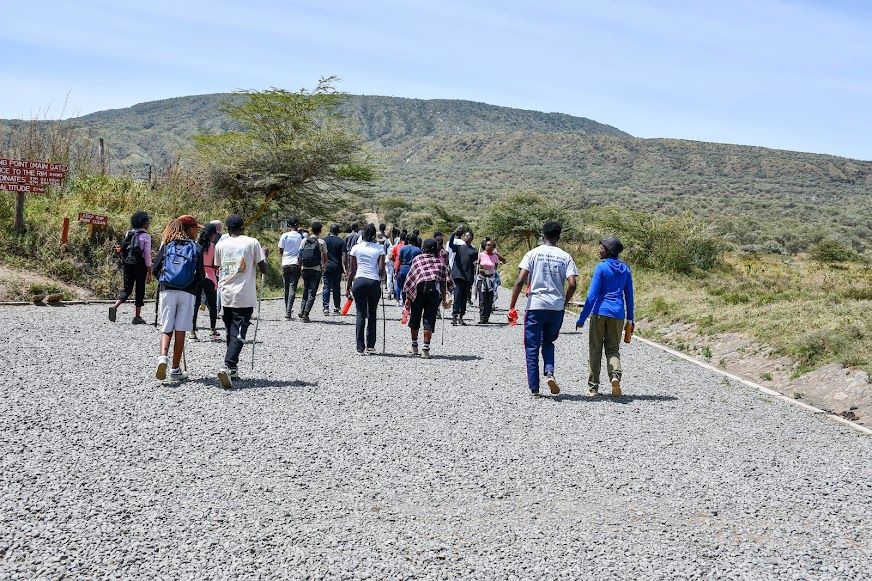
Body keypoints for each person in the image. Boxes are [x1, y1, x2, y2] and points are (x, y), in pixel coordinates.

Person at [509, 221, 578, 398]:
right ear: (559, 236)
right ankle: (549, 372)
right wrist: (564, 301)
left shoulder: (532, 254)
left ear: (543, 235)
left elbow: (520, 280)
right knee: (548, 342)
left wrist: (512, 306)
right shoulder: (565, 257)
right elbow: (572, 284)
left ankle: (535, 389)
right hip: (556, 308)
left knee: (531, 346)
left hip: (536, 306)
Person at [575, 237, 635, 397]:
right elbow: (629, 296)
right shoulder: (626, 269)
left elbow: (592, 295)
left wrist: (582, 318)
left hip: (600, 312)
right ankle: (615, 377)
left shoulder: (601, 268)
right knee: (613, 349)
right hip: (618, 314)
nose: (599, 250)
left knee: (595, 350)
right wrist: (631, 319)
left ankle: (593, 388)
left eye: (602, 247)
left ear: (608, 251)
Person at [214, 214, 268, 388]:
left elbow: (217, 266)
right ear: (243, 227)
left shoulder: (220, 245)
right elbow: (264, 269)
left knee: (230, 331)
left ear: (227, 228)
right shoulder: (252, 242)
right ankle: (228, 365)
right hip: (244, 295)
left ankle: (234, 368)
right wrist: (264, 255)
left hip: (226, 294)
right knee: (239, 333)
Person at [153, 216, 205, 382]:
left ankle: (163, 357)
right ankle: (175, 369)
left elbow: (155, 268)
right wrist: (192, 286)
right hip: (187, 292)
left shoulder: (168, 245)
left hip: (167, 290)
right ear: (188, 229)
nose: (197, 231)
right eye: (196, 228)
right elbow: (201, 276)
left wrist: (164, 281)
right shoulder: (196, 248)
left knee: (166, 326)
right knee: (181, 330)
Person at [402, 238, 453, 358]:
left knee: (415, 318)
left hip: (417, 294)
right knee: (429, 321)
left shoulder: (417, 260)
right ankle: (426, 350)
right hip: (433, 295)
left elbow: (411, 278)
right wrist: (444, 300)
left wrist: (408, 295)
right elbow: (443, 283)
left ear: (423, 249)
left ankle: (414, 347)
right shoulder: (440, 263)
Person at [346, 223, 386, 355]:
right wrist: (382, 278)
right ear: (374, 235)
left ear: (362, 234)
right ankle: (370, 345)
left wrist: (348, 288)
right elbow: (381, 270)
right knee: (372, 313)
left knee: (360, 314)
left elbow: (351, 270)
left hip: (359, 281)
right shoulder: (379, 248)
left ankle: (359, 347)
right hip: (374, 282)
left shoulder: (355, 248)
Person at [110, 211, 152, 324]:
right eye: (147, 222)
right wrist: (149, 271)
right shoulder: (146, 236)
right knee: (140, 289)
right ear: (143, 224)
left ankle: (114, 306)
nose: (148, 224)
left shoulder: (128, 233)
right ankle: (137, 317)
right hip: (140, 265)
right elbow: (147, 255)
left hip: (127, 264)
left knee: (127, 289)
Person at [192, 222, 221, 341]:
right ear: (212, 234)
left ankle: (192, 331)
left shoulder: (196, 245)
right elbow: (216, 265)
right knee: (212, 304)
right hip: (210, 276)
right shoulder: (214, 247)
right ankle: (212, 329)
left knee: (195, 304)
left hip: (197, 276)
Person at [298, 220, 328, 322]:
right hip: (316, 270)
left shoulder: (304, 241)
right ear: (320, 231)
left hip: (305, 269)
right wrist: (323, 267)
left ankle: (301, 310)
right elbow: (325, 257)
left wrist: (300, 268)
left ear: (311, 229)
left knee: (306, 290)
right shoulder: (321, 242)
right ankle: (306, 314)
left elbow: (300, 256)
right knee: (312, 293)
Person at [448, 226, 478, 326]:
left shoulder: (474, 251)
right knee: (457, 295)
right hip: (457, 275)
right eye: (465, 235)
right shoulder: (459, 247)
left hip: (467, 277)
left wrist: (476, 263)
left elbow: (475, 262)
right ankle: (454, 316)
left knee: (464, 298)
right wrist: (454, 232)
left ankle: (461, 316)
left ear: (472, 238)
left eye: (468, 236)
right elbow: (451, 244)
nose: (466, 237)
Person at [278, 217, 305, 320]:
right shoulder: (300, 236)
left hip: (285, 263)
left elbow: (281, 250)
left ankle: (287, 310)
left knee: (286, 287)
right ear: (297, 225)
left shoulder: (284, 236)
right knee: (292, 287)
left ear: (289, 226)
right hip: (295, 263)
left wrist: (285, 255)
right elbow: (301, 251)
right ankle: (289, 311)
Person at [476, 239, 506, 323]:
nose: (487, 246)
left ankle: (487, 317)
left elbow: (499, 264)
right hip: (482, 279)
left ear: (493, 247)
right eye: (486, 244)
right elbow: (477, 266)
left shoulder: (495, 256)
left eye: (489, 245)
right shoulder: (480, 255)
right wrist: (478, 266)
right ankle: (482, 318)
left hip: (491, 280)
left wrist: (497, 254)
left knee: (489, 300)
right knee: (482, 300)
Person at [322, 223, 346, 315]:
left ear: (330, 230)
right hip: (337, 267)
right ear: (338, 231)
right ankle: (337, 307)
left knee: (326, 286)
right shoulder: (341, 242)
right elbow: (343, 256)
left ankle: (326, 307)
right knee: (336, 287)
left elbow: (322, 254)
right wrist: (344, 268)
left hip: (327, 266)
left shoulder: (324, 240)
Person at [396, 235, 422, 304]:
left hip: (403, 269)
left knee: (404, 288)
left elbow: (399, 261)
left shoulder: (403, 248)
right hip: (413, 270)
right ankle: (412, 303)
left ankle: (405, 303)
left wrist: (396, 271)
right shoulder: (418, 250)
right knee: (413, 288)